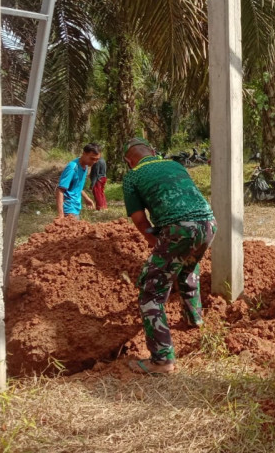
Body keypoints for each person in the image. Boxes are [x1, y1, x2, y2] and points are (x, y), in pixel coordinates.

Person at [122, 137, 216, 375]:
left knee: (150, 292)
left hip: (179, 229)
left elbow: (140, 220)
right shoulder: (175, 165)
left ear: (128, 161)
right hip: (208, 224)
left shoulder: (132, 176)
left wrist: (156, 242)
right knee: (186, 269)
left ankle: (162, 360)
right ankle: (194, 320)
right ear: (153, 151)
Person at [56, 143, 101, 218]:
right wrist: (61, 214)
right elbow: (60, 190)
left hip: (76, 207)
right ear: (84, 153)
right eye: (92, 158)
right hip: (68, 208)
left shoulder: (85, 167)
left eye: (97, 159)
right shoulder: (73, 167)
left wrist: (86, 198)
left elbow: (77, 186)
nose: (94, 162)